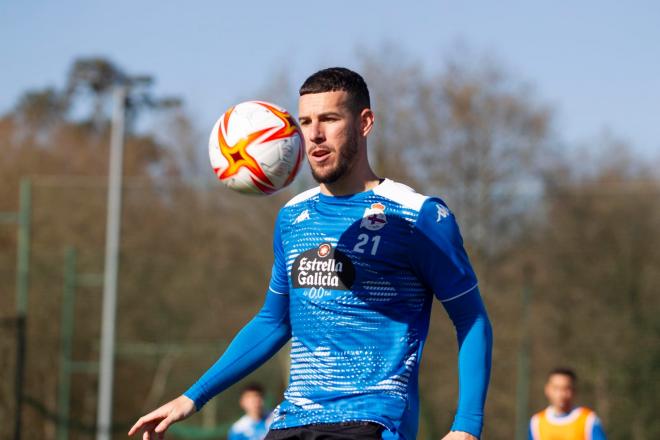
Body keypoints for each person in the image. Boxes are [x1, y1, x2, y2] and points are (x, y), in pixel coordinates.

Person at [129, 67, 493, 440]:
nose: (315, 134)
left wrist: (466, 425)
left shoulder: (418, 216)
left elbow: (471, 318)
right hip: (292, 421)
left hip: (372, 420)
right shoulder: (293, 217)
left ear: (365, 122)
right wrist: (192, 397)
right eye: (305, 121)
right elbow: (274, 321)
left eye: (329, 119)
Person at [529, 368, 607, 440]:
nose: (561, 394)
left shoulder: (588, 419)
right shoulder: (537, 422)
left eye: (566, 388)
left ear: (574, 391)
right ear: (547, 389)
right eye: (556, 388)